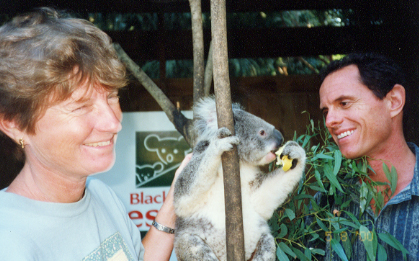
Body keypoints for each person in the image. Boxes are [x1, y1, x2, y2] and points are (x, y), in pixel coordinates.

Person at [0, 8, 190, 260]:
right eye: (80, 106)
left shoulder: (102, 195)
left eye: (112, 97)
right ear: (13, 123)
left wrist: (176, 203)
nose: (113, 123)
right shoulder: (8, 240)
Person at [318, 53, 419, 260]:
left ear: (394, 101)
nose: (329, 121)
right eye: (326, 111)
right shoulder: (325, 202)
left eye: (344, 103)